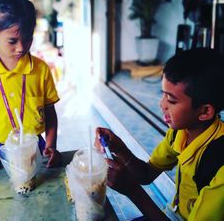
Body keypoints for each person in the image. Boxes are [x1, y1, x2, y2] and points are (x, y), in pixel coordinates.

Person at [95, 48, 224, 221]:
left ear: (205, 111)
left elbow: (139, 182)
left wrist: (133, 191)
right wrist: (119, 148)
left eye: (171, 100)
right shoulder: (179, 133)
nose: (162, 104)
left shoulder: (219, 164)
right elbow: (146, 174)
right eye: (162, 94)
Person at [0, 0, 61, 171]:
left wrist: (51, 146)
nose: (21, 47)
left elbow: (50, 113)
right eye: (12, 41)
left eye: (28, 39)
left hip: (33, 151)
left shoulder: (41, 69)